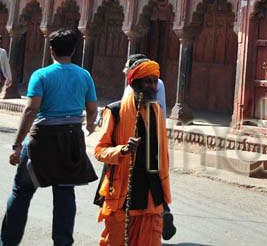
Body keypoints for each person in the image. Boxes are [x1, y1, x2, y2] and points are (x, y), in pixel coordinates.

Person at [1, 29, 99, 246]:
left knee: (22, 191)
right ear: (73, 50)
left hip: (42, 139)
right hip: (71, 140)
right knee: (64, 193)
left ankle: (8, 242)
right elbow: (92, 109)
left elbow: (30, 111)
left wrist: (17, 145)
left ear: (51, 50)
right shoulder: (84, 75)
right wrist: (90, 124)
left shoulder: (41, 75)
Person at [94, 59, 171, 246]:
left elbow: (160, 154)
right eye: (147, 82)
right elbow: (99, 151)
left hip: (151, 190)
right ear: (134, 83)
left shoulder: (156, 111)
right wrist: (123, 150)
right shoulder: (115, 111)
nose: (152, 87)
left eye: (155, 82)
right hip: (122, 190)